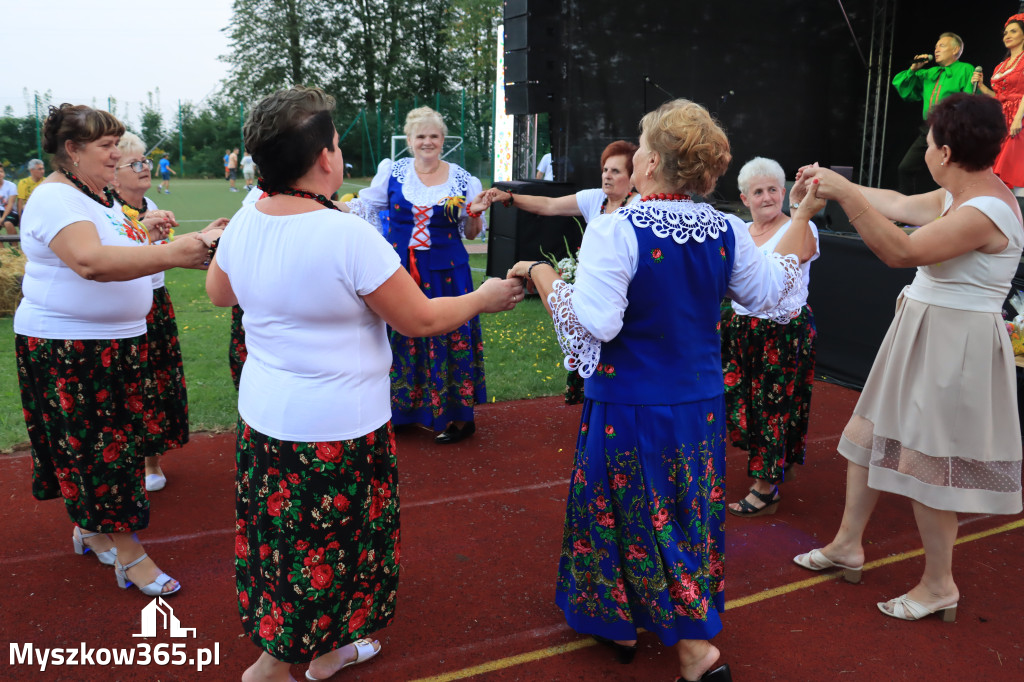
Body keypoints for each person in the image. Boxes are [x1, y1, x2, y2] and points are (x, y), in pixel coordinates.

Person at [205, 86, 522, 682]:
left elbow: (221, 293)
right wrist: (483, 296)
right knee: (331, 549)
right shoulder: (347, 234)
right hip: (337, 427)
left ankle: (323, 651)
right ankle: (276, 662)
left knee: (281, 540)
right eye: (338, 144)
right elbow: (420, 319)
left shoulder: (249, 216)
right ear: (326, 158)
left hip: (268, 419)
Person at [507, 99, 815, 682]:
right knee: (681, 511)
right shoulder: (725, 229)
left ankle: (693, 649)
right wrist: (804, 217)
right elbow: (772, 294)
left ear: (650, 163)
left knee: (636, 514)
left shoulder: (615, 228)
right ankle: (621, 617)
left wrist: (541, 275)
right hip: (697, 405)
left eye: (643, 145)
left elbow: (596, 324)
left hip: (631, 404)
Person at [790, 93, 1023, 622]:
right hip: (924, 331)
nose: (924, 150)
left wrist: (845, 196)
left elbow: (901, 251)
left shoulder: (986, 208)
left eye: (929, 142)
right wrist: (835, 182)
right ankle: (848, 544)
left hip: (953, 345)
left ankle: (940, 585)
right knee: (865, 439)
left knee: (928, 467)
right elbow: (894, 201)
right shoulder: (962, 193)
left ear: (944, 152)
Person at [14, 103, 213, 599]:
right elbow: (90, 262)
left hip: (110, 346)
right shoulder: (55, 199)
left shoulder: (96, 195)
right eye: (106, 146)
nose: (117, 154)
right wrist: (174, 251)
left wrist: (199, 246)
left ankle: (91, 528)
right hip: (69, 348)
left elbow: (127, 257)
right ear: (72, 151)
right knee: (103, 453)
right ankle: (132, 556)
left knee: (104, 450)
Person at [342, 106, 489, 444]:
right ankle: (403, 412)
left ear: (442, 140)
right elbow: (366, 206)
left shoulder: (464, 180)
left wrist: (476, 215)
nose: (427, 142)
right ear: (409, 140)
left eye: (434, 136)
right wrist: (322, 204)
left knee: (449, 339)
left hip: (447, 273)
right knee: (398, 338)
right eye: (420, 136)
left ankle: (458, 417)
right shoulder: (393, 172)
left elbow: (471, 233)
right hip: (399, 271)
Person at [109, 133, 228, 492]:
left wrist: (201, 238)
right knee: (125, 386)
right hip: (122, 308)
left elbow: (163, 253)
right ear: (113, 173)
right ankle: (122, 463)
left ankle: (151, 461)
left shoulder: (152, 205)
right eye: (136, 163)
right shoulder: (108, 212)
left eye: (145, 161)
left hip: (155, 301)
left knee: (158, 381)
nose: (145, 168)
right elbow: (123, 255)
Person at [485, 140, 640, 404]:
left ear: (633, 178)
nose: (607, 176)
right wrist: (509, 197)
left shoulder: (639, 206)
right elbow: (549, 205)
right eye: (605, 170)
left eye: (615, 171)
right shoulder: (596, 199)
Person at [723, 157, 819, 516]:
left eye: (772, 190)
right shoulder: (741, 232)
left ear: (784, 192)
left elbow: (802, 252)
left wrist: (800, 209)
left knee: (774, 409)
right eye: (758, 191)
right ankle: (782, 464)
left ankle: (765, 488)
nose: (766, 197)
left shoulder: (799, 226)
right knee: (746, 406)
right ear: (744, 198)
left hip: (783, 331)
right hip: (744, 329)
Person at [892, 32, 974, 195]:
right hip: (928, 129)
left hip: (951, 129)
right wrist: (913, 69)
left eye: (942, 46)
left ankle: (953, 211)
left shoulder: (965, 69)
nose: (936, 50)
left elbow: (970, 100)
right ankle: (907, 213)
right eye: (936, 46)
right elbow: (904, 88)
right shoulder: (930, 73)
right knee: (905, 168)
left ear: (955, 50)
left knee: (950, 172)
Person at [972, 14, 1024, 196]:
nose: (1007, 36)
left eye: (1013, 31)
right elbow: (999, 97)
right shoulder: (1001, 66)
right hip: (1002, 118)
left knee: (1015, 166)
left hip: (1020, 117)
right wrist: (981, 87)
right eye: (1005, 33)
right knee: (997, 169)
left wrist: (1019, 118)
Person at [0, 166, 17, 236]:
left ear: (4, 173)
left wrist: (2, 219)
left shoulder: (11, 186)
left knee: (7, 223)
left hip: (10, 212)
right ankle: (1, 247)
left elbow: (10, 205)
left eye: (1, 171)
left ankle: (15, 246)